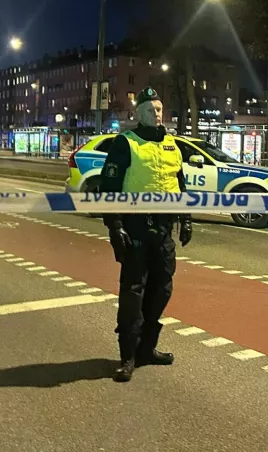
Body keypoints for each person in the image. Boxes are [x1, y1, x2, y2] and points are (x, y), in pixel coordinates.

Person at [98, 87, 193, 383]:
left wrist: (186, 219)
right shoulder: (126, 143)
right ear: (139, 114)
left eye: (159, 109)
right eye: (150, 110)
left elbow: (179, 183)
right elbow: (110, 186)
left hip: (163, 229)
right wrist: (115, 225)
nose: (157, 114)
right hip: (135, 227)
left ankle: (147, 349)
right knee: (133, 293)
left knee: (161, 289)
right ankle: (128, 356)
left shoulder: (172, 144)